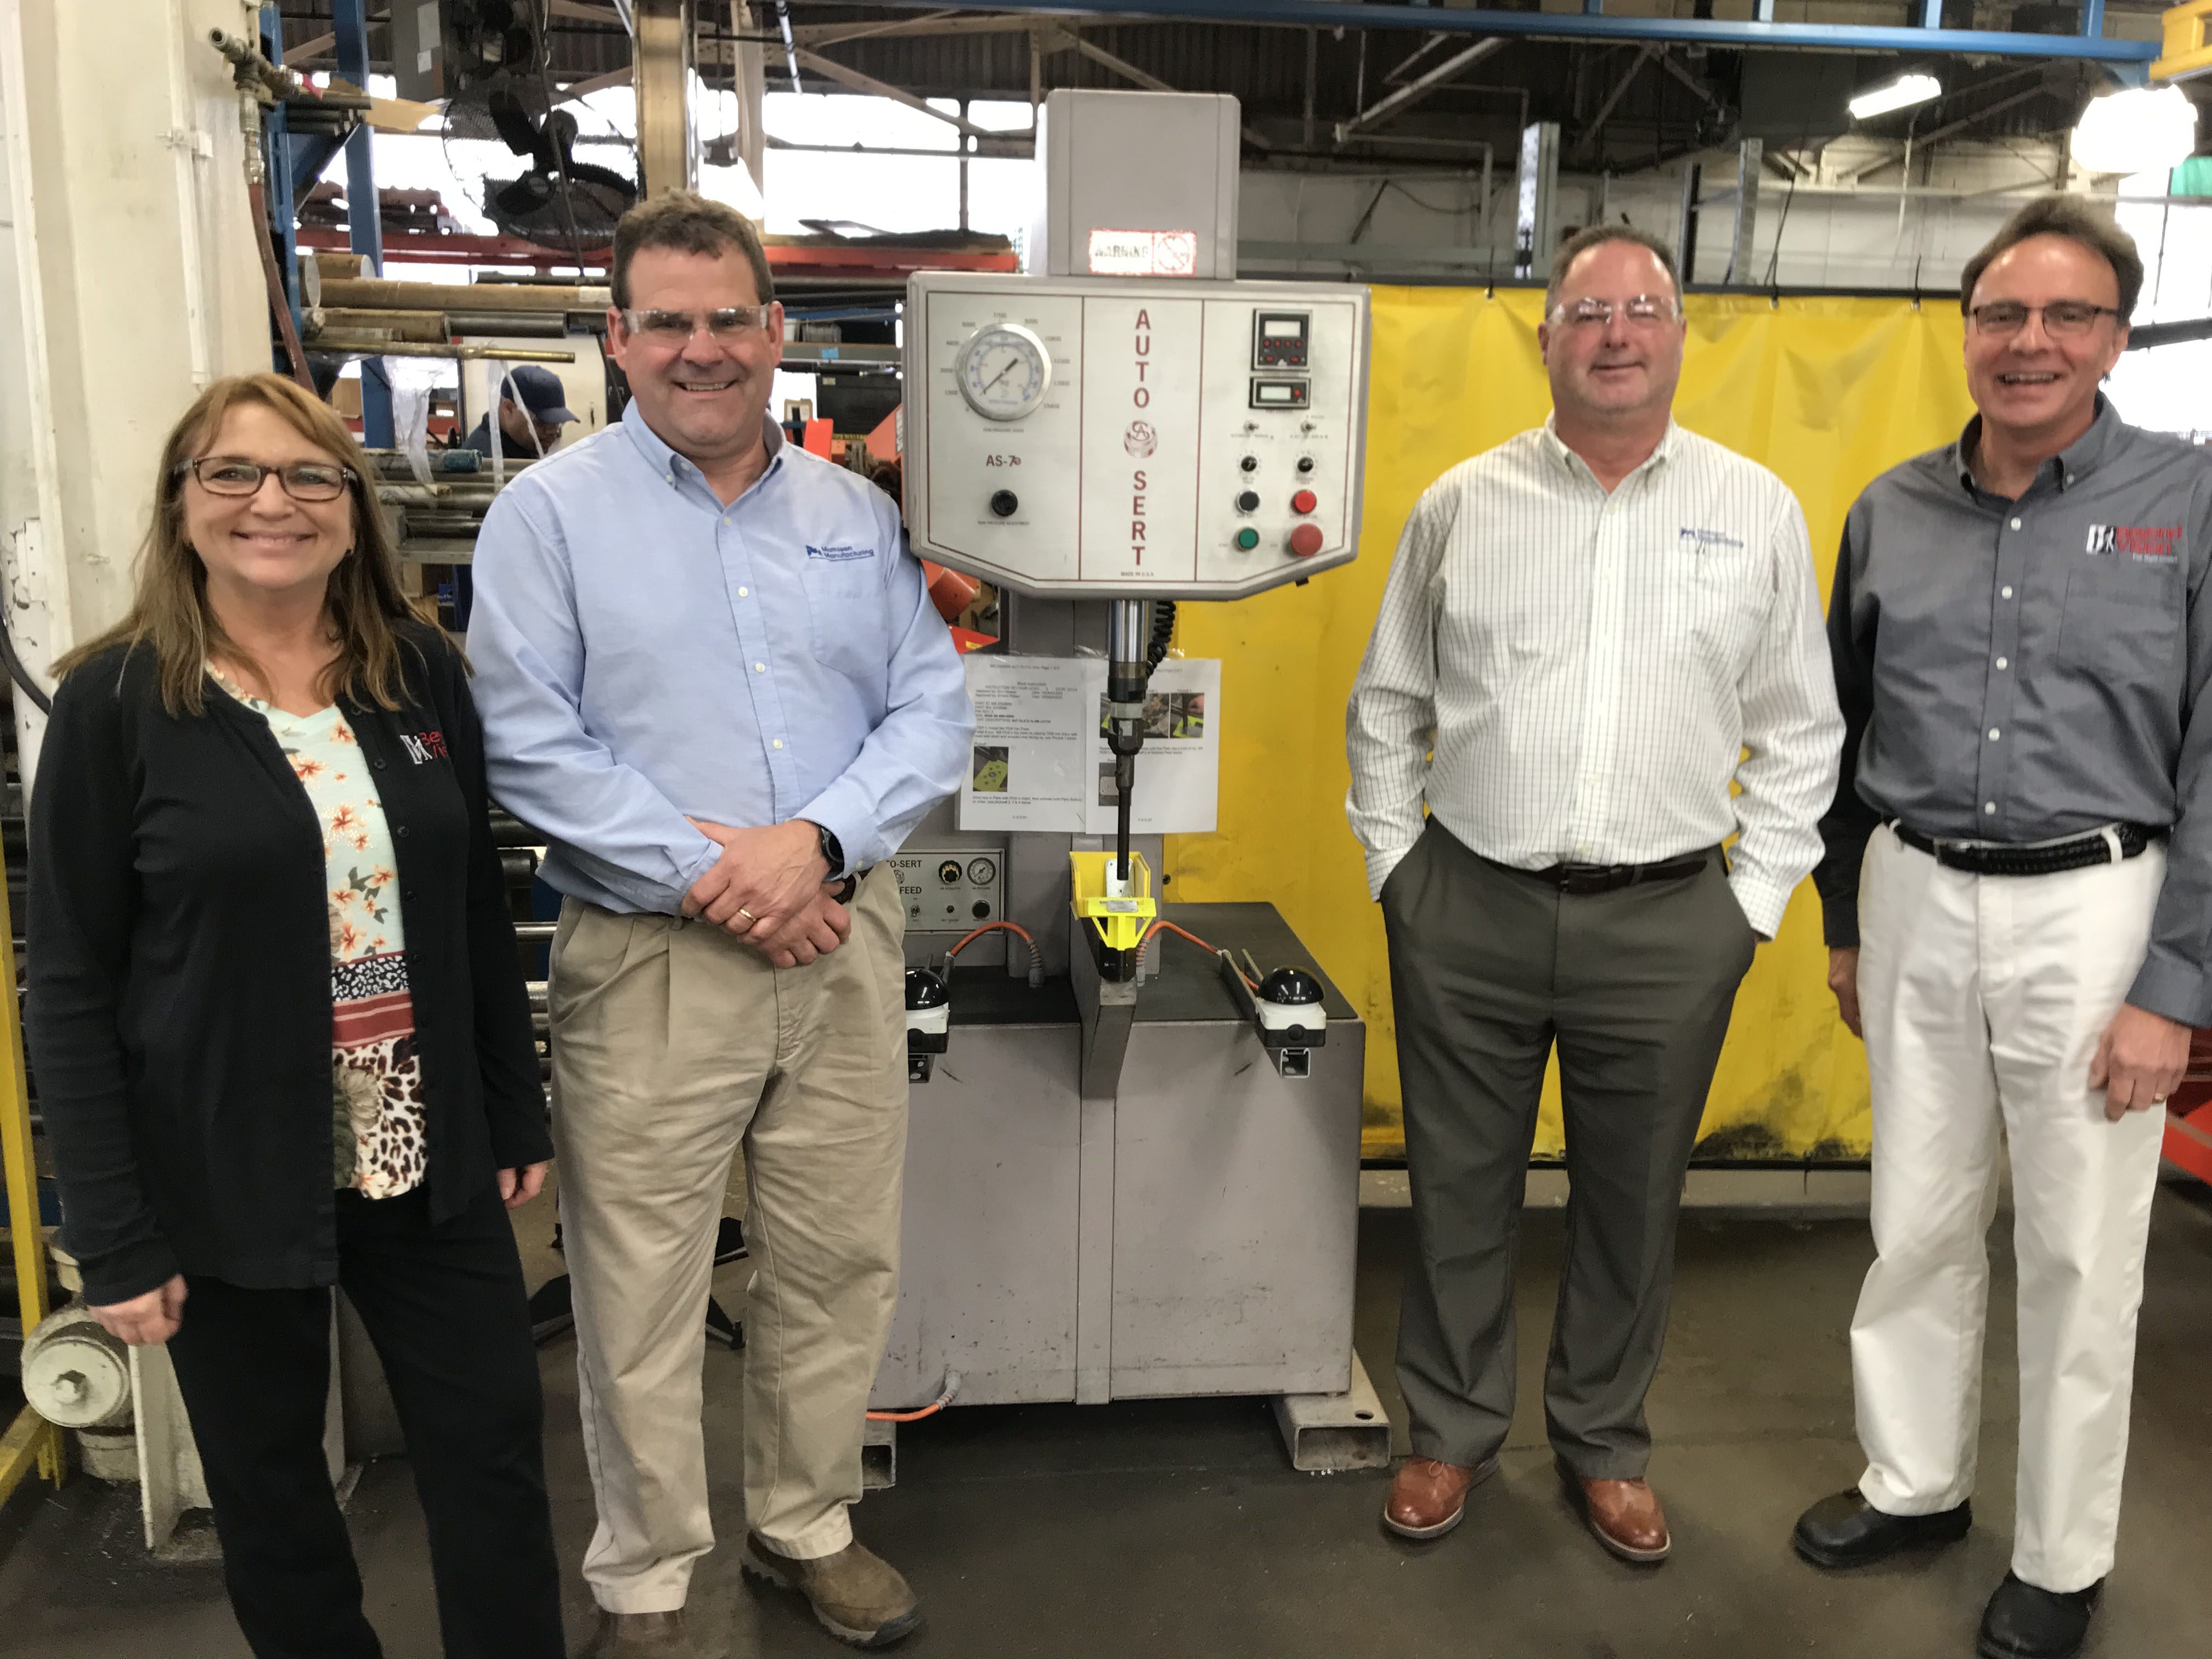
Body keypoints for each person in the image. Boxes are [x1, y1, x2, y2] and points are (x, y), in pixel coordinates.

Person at [466, 190, 972, 1657]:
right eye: (669, 322)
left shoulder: (852, 516)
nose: (703, 349)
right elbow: (529, 743)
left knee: (833, 1256)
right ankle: (647, 1576)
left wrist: (813, 846)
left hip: (838, 943)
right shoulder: (547, 516)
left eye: (729, 319)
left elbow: (929, 711)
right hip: (651, 961)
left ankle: (804, 1523)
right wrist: (723, 882)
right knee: (640, 1279)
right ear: (617, 337)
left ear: (777, 332)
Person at [26, 372, 562, 1658]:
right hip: (222, 1162)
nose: (274, 502)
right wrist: (108, 1227)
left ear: (350, 507)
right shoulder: (115, 703)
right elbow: (71, 979)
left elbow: (469, 908)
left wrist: (508, 1099)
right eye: (234, 474)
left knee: (491, 1447)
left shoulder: (414, 669)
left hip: (422, 1147)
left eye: (310, 475)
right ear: (183, 503)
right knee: (271, 1488)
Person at [1345, 224, 1842, 1563]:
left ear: (1681, 336)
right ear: (1548, 337)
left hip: (1672, 918)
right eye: (1587, 311)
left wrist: (1749, 907)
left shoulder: (1758, 511)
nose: (1617, 333)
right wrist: (1402, 870)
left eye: (1643, 309)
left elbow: (1802, 729)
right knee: (1458, 1187)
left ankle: (1606, 1444)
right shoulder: (1464, 503)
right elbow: (1389, 702)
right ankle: (1447, 1434)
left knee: (1633, 1198)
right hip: (1472, 905)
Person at [1795, 198, 2207, 1659]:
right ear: (1966, 332)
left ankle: (2061, 1555)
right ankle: (1912, 1484)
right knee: (1913, 1218)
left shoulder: (2188, 503)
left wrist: (2177, 987)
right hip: (1914, 888)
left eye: (2067, 316)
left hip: (2101, 909)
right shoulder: (1890, 510)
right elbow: (1845, 735)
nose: (2029, 344)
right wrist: (1847, 920)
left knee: (2084, 1255)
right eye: (2001, 316)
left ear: (2116, 336)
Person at [461, 363, 577, 459]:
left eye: (558, 423)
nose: (552, 433)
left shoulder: (521, 448)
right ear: (509, 409)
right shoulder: (485, 461)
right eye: (541, 422)